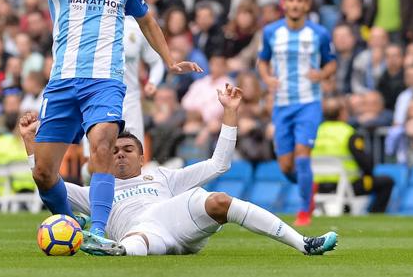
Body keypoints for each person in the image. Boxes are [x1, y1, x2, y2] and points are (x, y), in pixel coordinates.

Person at [0, 0, 202, 242]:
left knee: (101, 147)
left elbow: (147, 22)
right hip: (62, 85)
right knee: (43, 174)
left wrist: (168, 60)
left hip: (105, 84)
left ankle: (99, 231)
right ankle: (73, 226)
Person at [19, 84, 338, 256]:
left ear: (142, 157)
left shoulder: (162, 176)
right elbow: (48, 182)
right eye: (114, 151)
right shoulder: (94, 194)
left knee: (217, 200)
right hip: (143, 237)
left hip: (177, 221)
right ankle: (115, 251)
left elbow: (219, 164)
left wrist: (230, 113)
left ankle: (303, 243)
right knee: (139, 238)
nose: (119, 156)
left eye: (128, 150)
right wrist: (32, 145)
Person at [257, 0, 337, 226]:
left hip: (308, 102)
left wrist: (322, 75)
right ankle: (307, 183)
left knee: (303, 156)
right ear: (284, 3)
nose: (295, 5)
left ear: (307, 5)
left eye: (299, 1)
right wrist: (267, 78)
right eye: (290, 0)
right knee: (286, 165)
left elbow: (331, 62)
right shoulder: (271, 32)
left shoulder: (319, 33)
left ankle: (304, 211)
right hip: (282, 105)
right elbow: (263, 61)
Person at [312, 97, 394, 213]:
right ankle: (375, 215)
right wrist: (368, 175)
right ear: (342, 114)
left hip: (320, 186)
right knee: (387, 182)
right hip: (348, 185)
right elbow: (366, 163)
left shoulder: (315, 132)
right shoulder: (347, 132)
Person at [122, 15, 164, 143]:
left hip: (130, 100)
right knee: (98, 155)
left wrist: (152, 82)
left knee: (133, 152)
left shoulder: (135, 27)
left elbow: (156, 61)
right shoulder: (92, 22)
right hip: (98, 98)